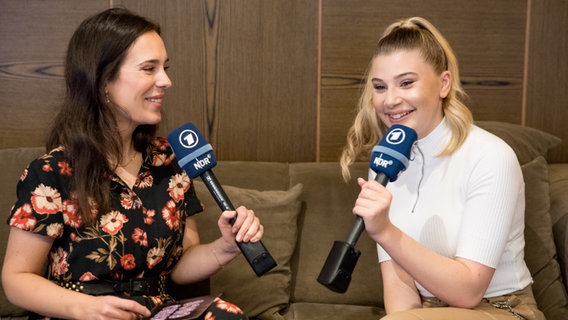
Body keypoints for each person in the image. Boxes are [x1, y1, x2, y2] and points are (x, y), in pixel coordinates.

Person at [2, 8, 261, 320]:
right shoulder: (52, 172)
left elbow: (180, 267)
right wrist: (87, 308)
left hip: (157, 311)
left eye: (164, 68)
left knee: (226, 315)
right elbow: (17, 279)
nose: (166, 80)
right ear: (103, 82)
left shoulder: (171, 160)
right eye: (149, 68)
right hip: (79, 312)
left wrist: (226, 247)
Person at [340, 17, 545, 320]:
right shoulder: (385, 163)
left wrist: (384, 231)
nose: (390, 100)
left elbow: (468, 291)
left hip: (499, 309)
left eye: (407, 83)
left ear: (444, 83)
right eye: (380, 87)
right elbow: (401, 294)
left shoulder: (490, 157)